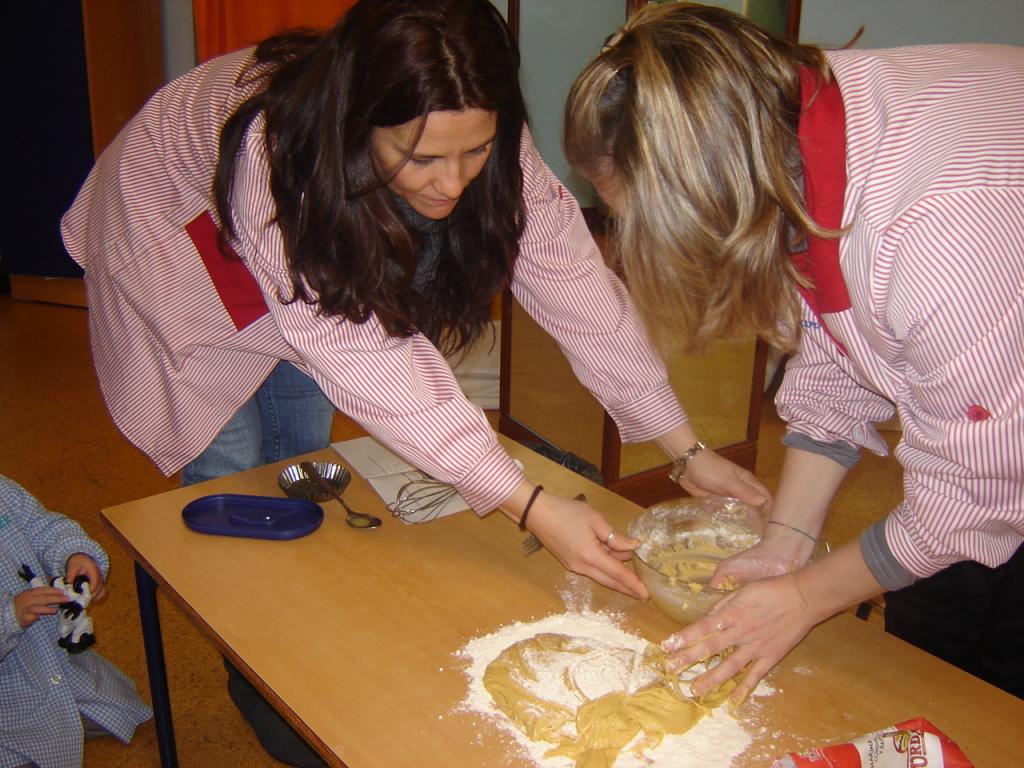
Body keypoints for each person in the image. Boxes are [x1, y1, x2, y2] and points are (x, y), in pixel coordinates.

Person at [60, 0, 769, 764]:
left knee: (298, 469)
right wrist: (528, 504)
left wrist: (682, 447)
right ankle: (260, 675)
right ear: (362, 120)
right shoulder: (279, 154)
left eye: (475, 152)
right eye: (421, 158)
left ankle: (300, 639)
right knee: (235, 478)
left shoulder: (473, 122)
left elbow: (575, 284)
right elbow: (368, 359)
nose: (453, 183)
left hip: (299, 252)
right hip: (179, 238)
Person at [564, 2, 1023, 706]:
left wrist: (807, 597)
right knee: (933, 635)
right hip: (988, 417)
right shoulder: (791, 138)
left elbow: (977, 494)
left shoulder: (940, 238)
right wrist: (787, 540)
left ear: (719, 195)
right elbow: (842, 348)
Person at [1, 475, 152, 768]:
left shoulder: (3, 490)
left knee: (118, 708)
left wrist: (74, 555)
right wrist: (10, 616)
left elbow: (43, 526)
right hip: (9, 698)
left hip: (54, 661)